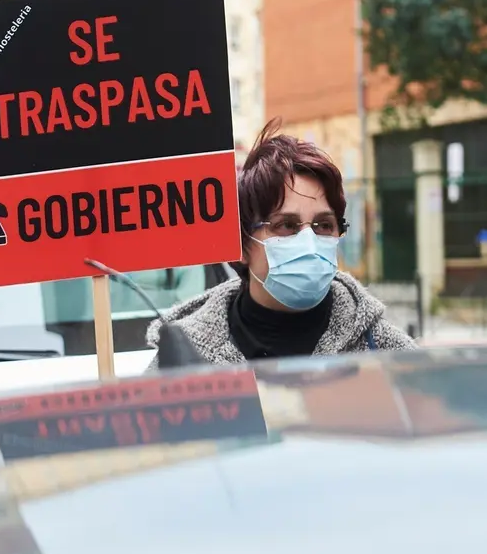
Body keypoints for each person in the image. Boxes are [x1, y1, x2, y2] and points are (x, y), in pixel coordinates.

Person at [145, 119, 416, 369]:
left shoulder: (385, 351)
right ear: (240, 245)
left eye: (323, 226)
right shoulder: (183, 361)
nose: (309, 243)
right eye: (286, 225)